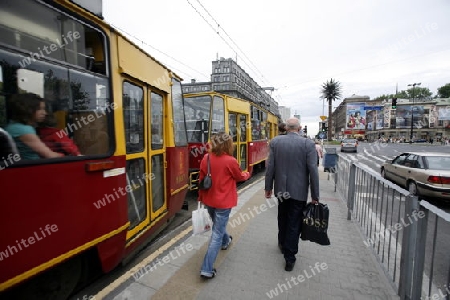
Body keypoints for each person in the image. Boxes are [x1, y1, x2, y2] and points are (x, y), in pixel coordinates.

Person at [264, 118, 320, 272]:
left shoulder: (275, 142)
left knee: (282, 216)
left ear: (286, 128)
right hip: (299, 191)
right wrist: (315, 195)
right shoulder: (308, 144)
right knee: (294, 222)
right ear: (299, 128)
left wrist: (268, 187)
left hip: (281, 190)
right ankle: (290, 257)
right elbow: (313, 171)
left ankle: (282, 244)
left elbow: (270, 168)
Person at [198, 132, 250, 279]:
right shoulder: (230, 161)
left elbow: (201, 180)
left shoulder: (206, 158)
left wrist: (201, 198)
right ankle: (206, 269)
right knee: (216, 234)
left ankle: (226, 241)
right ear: (228, 144)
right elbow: (240, 177)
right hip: (223, 202)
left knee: (218, 226)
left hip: (209, 199)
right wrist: (247, 174)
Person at [5, 93, 63, 160]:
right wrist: (68, 156)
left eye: (44, 109)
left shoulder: (13, 126)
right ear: (27, 109)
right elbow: (50, 156)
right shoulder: (23, 130)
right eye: (39, 109)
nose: (44, 113)